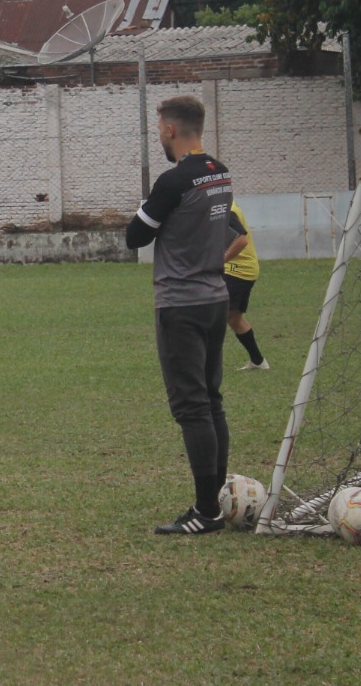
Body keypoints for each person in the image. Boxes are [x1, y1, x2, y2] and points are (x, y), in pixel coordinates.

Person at [126, 95, 235, 536]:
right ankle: (215, 499)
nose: (159, 137)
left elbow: (135, 236)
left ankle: (206, 511)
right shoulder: (220, 172)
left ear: (170, 130)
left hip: (182, 305)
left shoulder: (174, 181)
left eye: (159, 130)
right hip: (215, 297)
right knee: (211, 401)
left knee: (192, 407)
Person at [224, 202, 269, 371]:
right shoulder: (225, 204)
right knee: (234, 319)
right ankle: (258, 361)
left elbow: (241, 241)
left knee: (214, 316)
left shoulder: (227, 209)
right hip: (240, 269)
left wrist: (220, 260)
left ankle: (202, 365)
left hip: (237, 271)